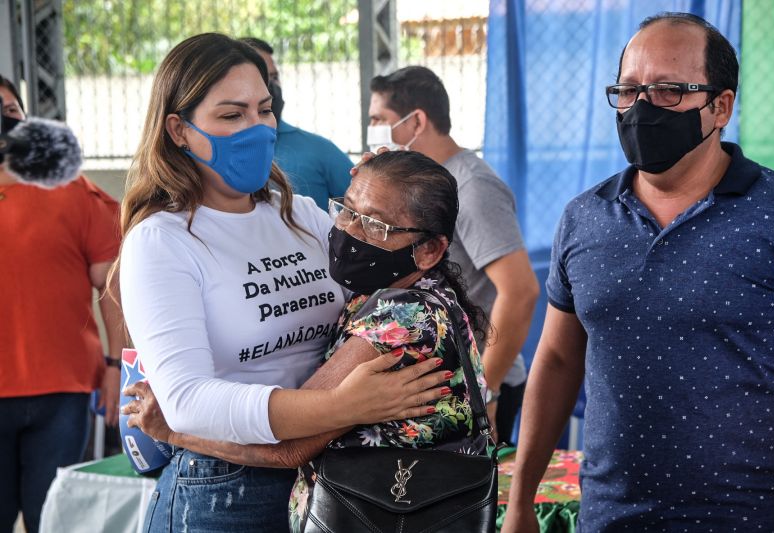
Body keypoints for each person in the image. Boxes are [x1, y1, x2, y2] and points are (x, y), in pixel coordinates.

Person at [116, 34, 449, 533]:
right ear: (178, 131)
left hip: (324, 477)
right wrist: (336, 407)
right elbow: (185, 401)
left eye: (263, 109)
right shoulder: (162, 240)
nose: (256, 128)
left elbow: (394, 277)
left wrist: (386, 191)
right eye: (232, 116)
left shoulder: (300, 215)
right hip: (225, 488)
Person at [502, 12, 774, 532]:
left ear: (720, 106)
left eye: (668, 90)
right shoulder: (584, 217)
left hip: (757, 518)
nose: (642, 107)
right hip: (612, 517)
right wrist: (522, 499)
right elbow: (555, 359)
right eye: (629, 89)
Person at [123, 150, 490, 532]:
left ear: (429, 250)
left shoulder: (397, 323)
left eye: (376, 226)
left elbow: (289, 449)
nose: (349, 231)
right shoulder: (419, 292)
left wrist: (171, 432)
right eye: (347, 210)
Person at [367, 66, 539, 444]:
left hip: (479, 382)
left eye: (380, 120)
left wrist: (484, 392)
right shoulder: (426, 185)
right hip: (443, 380)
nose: (373, 129)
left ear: (417, 121)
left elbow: (520, 291)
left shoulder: (472, 186)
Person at [0, 75, 124, 533]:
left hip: (64, 394)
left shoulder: (76, 193)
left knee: (52, 520)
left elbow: (112, 289)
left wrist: (117, 365)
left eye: (11, 111)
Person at [239, 37, 353, 210]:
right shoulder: (220, 152)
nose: (271, 85)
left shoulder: (319, 150)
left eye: (274, 77)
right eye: (261, 77)